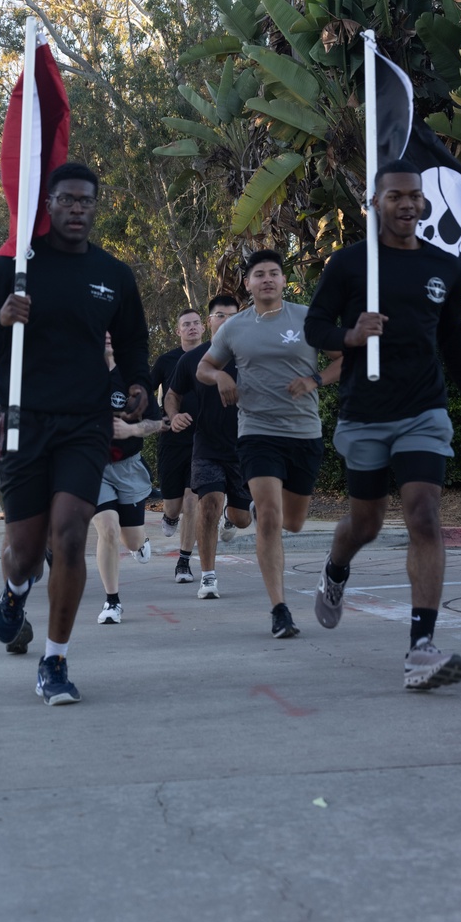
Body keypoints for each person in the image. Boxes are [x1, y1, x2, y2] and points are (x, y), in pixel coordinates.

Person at [0, 162, 150, 705]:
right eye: (66, 200)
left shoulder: (114, 273)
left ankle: (55, 660)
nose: (77, 209)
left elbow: (134, 341)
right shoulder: (17, 265)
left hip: (84, 424)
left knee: (69, 536)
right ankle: (16, 592)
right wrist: (0, 315)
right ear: (48, 205)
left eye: (86, 201)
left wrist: (138, 383)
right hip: (21, 421)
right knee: (26, 550)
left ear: (95, 206)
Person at [304, 163, 461, 690]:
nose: (406, 204)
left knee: (424, 515)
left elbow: (455, 340)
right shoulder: (349, 265)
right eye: (395, 196)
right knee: (363, 525)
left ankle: (420, 648)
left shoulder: (444, 266)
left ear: (424, 206)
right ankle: (335, 569)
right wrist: (351, 335)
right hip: (365, 413)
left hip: (423, 410)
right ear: (375, 203)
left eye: (414, 196)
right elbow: (314, 327)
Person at [197, 250, 342, 638]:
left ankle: (281, 528)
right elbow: (204, 367)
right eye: (258, 274)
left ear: (282, 281)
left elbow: (343, 359)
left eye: (273, 273)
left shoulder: (308, 317)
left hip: (304, 433)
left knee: (291, 522)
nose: (266, 280)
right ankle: (280, 610)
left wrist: (316, 380)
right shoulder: (234, 328)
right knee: (272, 519)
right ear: (247, 283)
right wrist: (222, 378)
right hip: (257, 433)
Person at [165, 294, 252, 600]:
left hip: (243, 449)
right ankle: (208, 577)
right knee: (209, 503)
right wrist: (174, 416)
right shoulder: (193, 359)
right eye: (219, 316)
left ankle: (233, 514)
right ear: (209, 322)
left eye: (232, 316)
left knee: (242, 518)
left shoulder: (251, 355)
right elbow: (172, 394)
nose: (226, 321)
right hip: (206, 446)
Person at [93, 335, 169, 624]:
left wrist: (131, 430)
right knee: (108, 529)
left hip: (128, 467)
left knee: (130, 537)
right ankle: (112, 602)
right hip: (95, 468)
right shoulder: (80, 374)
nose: (108, 335)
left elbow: (157, 422)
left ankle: (140, 543)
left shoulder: (134, 377)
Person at [150, 308, 204, 583]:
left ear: (203, 328)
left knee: (192, 500)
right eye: (187, 324)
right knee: (173, 505)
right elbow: (147, 391)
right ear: (178, 331)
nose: (192, 327)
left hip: (203, 440)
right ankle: (170, 518)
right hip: (172, 441)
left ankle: (184, 562)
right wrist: (157, 419)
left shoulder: (214, 358)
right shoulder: (166, 360)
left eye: (196, 323)